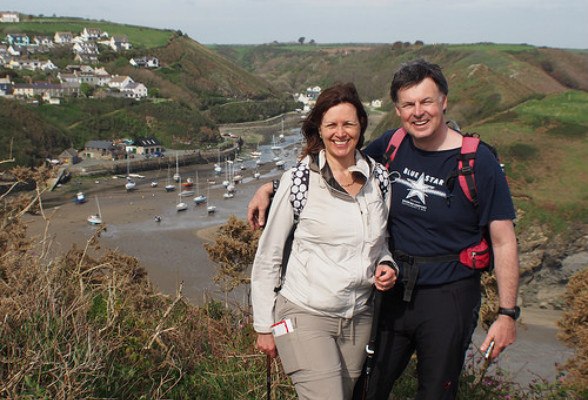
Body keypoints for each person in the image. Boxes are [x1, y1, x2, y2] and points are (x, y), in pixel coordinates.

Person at [248, 60, 520, 400]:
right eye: (408, 104)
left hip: (448, 296)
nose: (418, 112)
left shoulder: (479, 163)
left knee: (436, 392)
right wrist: (274, 187)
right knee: (367, 390)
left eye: (426, 101)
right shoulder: (393, 145)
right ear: (397, 109)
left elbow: (504, 241)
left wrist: (507, 313)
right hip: (388, 297)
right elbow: (336, 162)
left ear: (444, 102)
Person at [251, 82, 398, 400]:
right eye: (332, 124)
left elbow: (381, 242)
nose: (340, 132)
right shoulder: (299, 181)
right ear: (319, 127)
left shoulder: (381, 181)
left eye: (349, 123)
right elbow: (269, 255)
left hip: (359, 318)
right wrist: (264, 325)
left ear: (361, 126)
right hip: (303, 314)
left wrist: (386, 264)